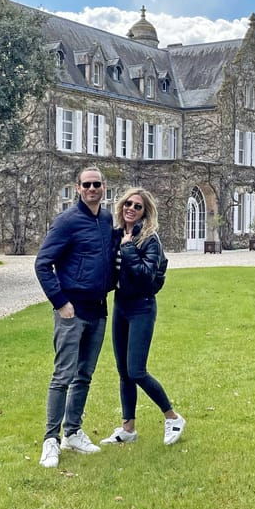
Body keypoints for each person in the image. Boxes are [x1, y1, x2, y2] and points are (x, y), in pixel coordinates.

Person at [35, 167, 114, 469]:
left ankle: (73, 432)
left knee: (84, 375)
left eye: (96, 184)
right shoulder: (67, 222)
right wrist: (60, 302)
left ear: (103, 188)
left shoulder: (106, 219)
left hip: (98, 309)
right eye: (87, 185)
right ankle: (50, 440)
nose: (92, 189)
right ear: (78, 188)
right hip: (72, 310)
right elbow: (43, 264)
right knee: (62, 376)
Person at [100, 187, 185, 447]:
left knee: (137, 370)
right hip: (121, 306)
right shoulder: (117, 234)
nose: (131, 209)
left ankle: (173, 417)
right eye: (128, 203)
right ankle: (128, 428)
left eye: (137, 206)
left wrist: (128, 250)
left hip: (142, 308)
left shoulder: (150, 239)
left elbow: (148, 275)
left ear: (144, 212)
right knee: (123, 372)